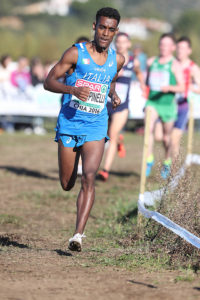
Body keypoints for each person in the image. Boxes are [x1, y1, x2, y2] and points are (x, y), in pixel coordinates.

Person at [44, 7, 124, 251]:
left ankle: (77, 235)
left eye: (111, 29)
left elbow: (110, 80)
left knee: (89, 176)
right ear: (94, 26)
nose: (105, 33)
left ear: (115, 31)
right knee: (67, 183)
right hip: (70, 122)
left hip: (96, 125)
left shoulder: (118, 60)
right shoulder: (75, 53)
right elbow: (48, 81)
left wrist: (113, 95)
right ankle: (69, 179)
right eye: (102, 27)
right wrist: (72, 90)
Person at [98, 32, 145, 181]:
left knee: (112, 134)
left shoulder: (133, 61)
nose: (120, 44)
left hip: (122, 105)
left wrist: (143, 86)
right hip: (106, 102)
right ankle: (119, 140)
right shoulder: (109, 58)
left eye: (124, 42)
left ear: (128, 44)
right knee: (102, 134)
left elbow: (138, 73)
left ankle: (105, 170)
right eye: (118, 42)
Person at [145, 33, 184, 179]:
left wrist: (169, 88)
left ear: (173, 47)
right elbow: (147, 81)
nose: (163, 48)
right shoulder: (151, 62)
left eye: (167, 45)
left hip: (168, 105)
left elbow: (181, 87)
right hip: (153, 102)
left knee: (166, 138)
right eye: (161, 44)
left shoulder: (175, 65)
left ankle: (167, 162)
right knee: (148, 129)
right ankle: (149, 160)